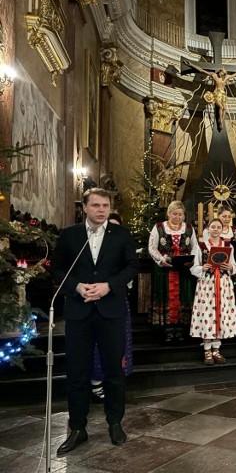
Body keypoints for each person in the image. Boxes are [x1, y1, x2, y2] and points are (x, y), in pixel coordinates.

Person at [51, 188, 138, 455]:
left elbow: (132, 266)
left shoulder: (122, 235)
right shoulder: (70, 235)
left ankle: (115, 423)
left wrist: (108, 286)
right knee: (77, 372)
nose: (102, 210)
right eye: (96, 205)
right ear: (85, 208)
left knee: (114, 372)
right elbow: (56, 269)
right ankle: (78, 427)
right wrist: (76, 286)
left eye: (106, 205)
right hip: (79, 312)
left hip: (110, 311)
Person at [90, 213, 134, 401]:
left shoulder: (123, 249)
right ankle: (95, 381)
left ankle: (115, 379)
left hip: (117, 299)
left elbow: (129, 271)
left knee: (119, 341)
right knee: (97, 343)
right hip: (94, 300)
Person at [190, 218, 236, 365]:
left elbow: (234, 266)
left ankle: (216, 350)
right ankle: (207, 351)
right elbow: (194, 267)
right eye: (213, 227)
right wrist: (202, 268)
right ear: (208, 229)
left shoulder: (228, 245)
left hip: (223, 284)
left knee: (221, 314)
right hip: (207, 284)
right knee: (207, 314)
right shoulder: (202, 246)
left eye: (219, 227)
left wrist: (229, 267)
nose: (216, 229)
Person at [148, 201, 198, 342]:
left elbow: (195, 246)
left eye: (180, 214)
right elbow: (152, 247)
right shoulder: (158, 227)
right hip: (165, 270)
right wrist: (160, 260)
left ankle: (182, 328)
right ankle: (168, 329)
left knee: (183, 297)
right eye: (174, 213)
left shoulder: (188, 228)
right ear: (169, 213)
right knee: (167, 298)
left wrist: (192, 260)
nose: (177, 217)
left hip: (183, 271)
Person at [185, 60, 236, 132]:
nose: (220, 75)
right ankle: (220, 119)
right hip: (216, 94)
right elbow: (202, 70)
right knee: (221, 107)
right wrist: (191, 65)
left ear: (224, 74)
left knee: (225, 109)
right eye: (220, 73)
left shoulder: (226, 77)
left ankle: (221, 121)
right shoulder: (214, 76)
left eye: (222, 74)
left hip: (223, 95)